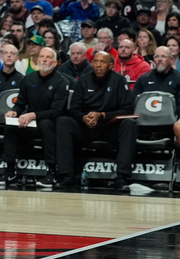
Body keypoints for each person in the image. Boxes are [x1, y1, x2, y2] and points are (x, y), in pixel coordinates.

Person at [55, 51, 137, 192]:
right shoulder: (84, 80)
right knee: (63, 121)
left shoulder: (119, 80)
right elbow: (73, 108)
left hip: (110, 126)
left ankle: (122, 177)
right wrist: (84, 118)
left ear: (111, 65)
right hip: (87, 127)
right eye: (96, 61)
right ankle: (66, 175)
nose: (98, 65)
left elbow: (128, 109)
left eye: (103, 62)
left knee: (130, 123)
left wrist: (102, 115)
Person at [0, 46, 69, 189]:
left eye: (48, 57)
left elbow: (56, 111)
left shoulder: (61, 82)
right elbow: (20, 103)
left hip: (51, 125)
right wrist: (14, 112)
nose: (43, 60)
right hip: (31, 124)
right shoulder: (28, 79)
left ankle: (51, 171)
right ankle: (9, 170)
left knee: (46, 124)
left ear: (55, 63)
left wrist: (33, 115)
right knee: (10, 126)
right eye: (41, 57)